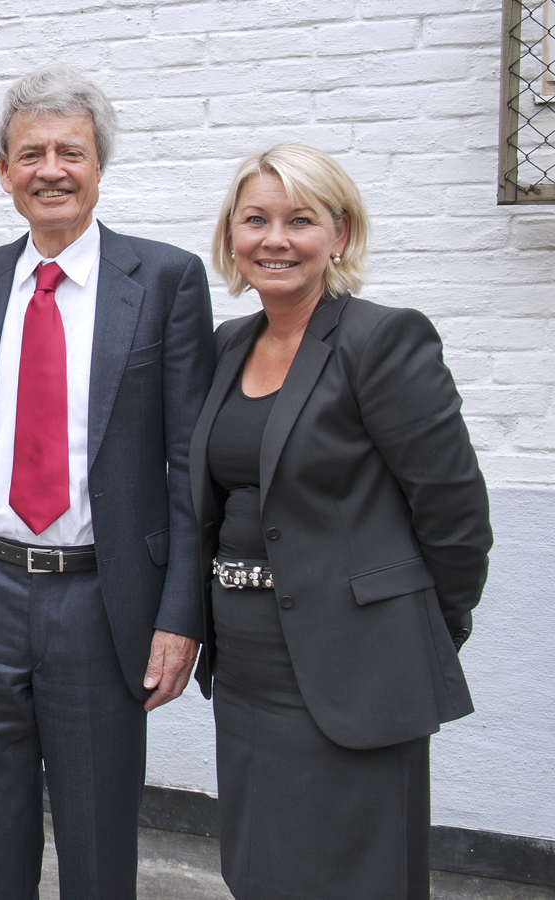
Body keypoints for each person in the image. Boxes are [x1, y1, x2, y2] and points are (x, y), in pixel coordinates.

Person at [0, 66, 215, 900]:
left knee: (97, 838)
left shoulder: (166, 282)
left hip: (103, 598)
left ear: (99, 167)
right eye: (30, 153)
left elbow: (191, 464)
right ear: (3, 174)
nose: (51, 169)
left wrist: (180, 613)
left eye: (70, 152)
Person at [191, 143, 492, 899]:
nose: (275, 239)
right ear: (233, 236)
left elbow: (454, 511)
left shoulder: (382, 340)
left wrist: (420, 623)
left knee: (357, 875)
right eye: (255, 219)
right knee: (261, 867)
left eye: (300, 220)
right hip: (248, 666)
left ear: (341, 235)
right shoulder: (228, 347)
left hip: (353, 661)